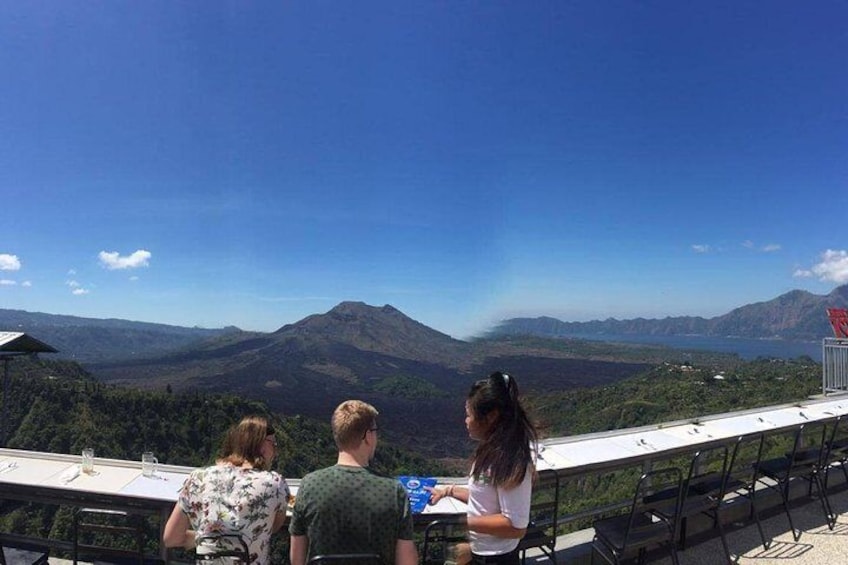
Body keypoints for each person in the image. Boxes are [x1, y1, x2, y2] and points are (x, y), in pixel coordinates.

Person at [289, 400, 418, 565]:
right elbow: (406, 562)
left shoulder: (309, 486)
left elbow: (297, 559)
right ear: (367, 436)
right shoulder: (394, 491)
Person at [427, 372, 538, 565]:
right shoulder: (492, 452)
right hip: (483, 554)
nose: (466, 421)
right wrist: (448, 491)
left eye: (469, 415)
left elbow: (515, 526)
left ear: (491, 417)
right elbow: (485, 500)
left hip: (497, 558)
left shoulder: (511, 460)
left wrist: (460, 522)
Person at [163, 415, 290, 564]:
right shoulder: (275, 484)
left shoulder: (198, 478)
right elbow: (271, 527)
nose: (276, 450)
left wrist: (206, 537)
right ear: (261, 445)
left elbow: (171, 538)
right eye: (273, 443)